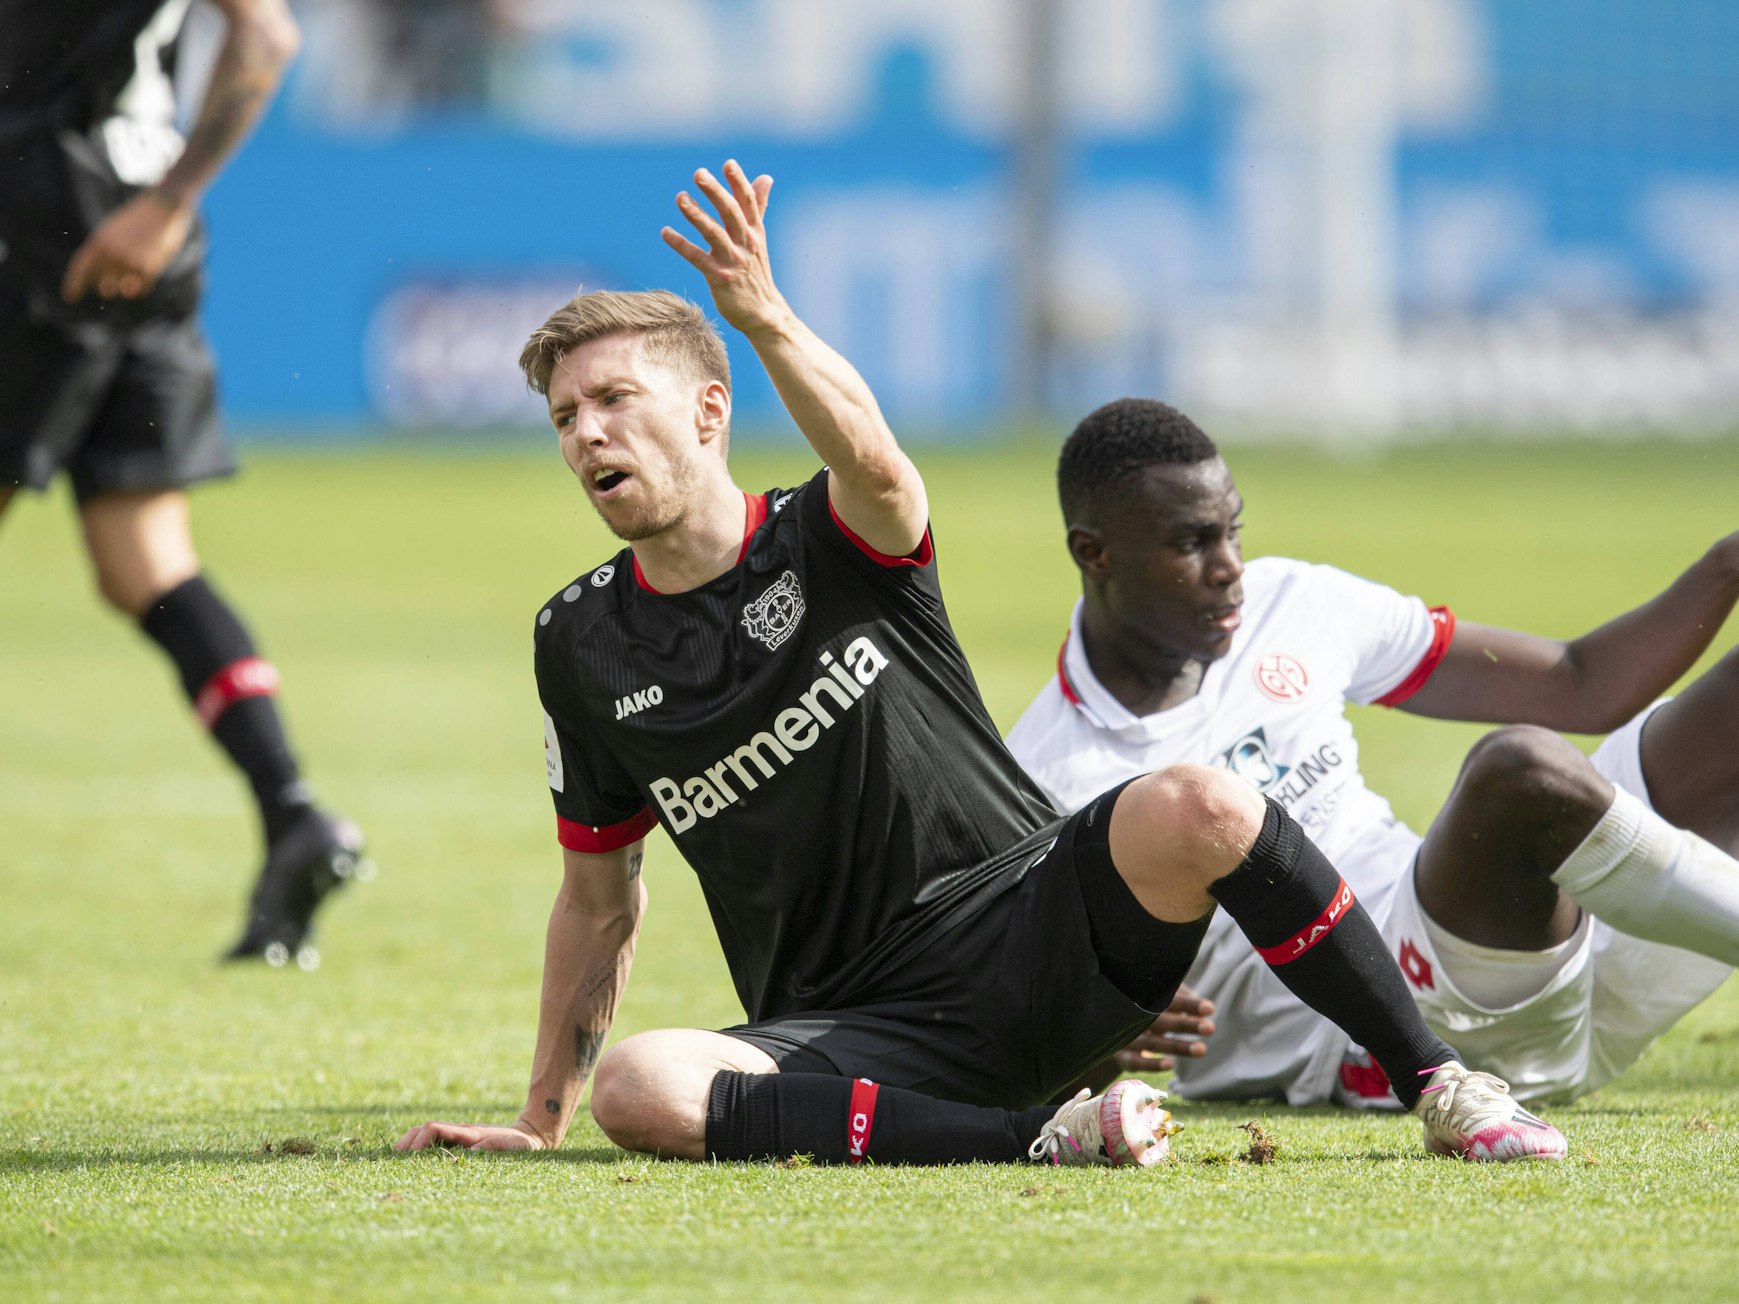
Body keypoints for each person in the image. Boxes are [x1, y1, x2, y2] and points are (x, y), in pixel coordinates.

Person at [395, 162, 1563, 1168]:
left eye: (612, 398)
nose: (585, 432)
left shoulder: (834, 538)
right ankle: (1043, 1139)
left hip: (1035, 931)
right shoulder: (579, 641)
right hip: (850, 1026)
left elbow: (879, 462)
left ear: (708, 411)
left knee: (1203, 802)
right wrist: (542, 1118)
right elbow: (597, 898)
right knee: (640, 1089)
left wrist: (761, 315)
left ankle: (1443, 1087)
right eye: (563, 416)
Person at [1005, 398, 1739, 1108]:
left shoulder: (1292, 602)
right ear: (1093, 553)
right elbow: (1010, 1019)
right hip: (1402, 1039)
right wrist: (1095, 1033)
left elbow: (1580, 685)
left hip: (1537, 945)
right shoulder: (1040, 780)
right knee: (1517, 775)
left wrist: (1724, 567)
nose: (1230, 565)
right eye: (1192, 542)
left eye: (1233, 531)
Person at [0, 0, 365, 966]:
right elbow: (267, 32)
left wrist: (163, 202)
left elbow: (266, 35)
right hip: (142, 236)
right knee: (145, 566)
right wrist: (168, 203)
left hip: (38, 229)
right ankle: (291, 811)